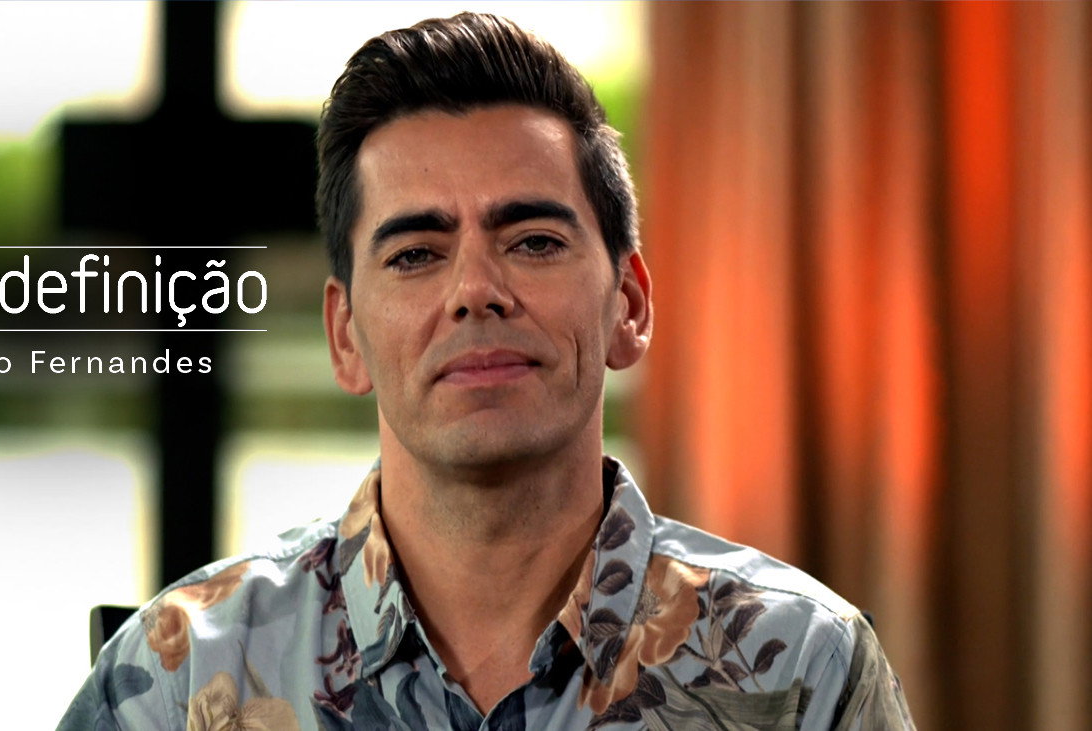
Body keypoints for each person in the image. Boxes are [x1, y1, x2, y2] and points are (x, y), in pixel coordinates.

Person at [59, 12, 913, 730]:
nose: (476, 290)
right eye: (415, 253)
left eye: (533, 241)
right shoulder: (175, 675)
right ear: (345, 334)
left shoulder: (806, 670)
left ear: (629, 306)